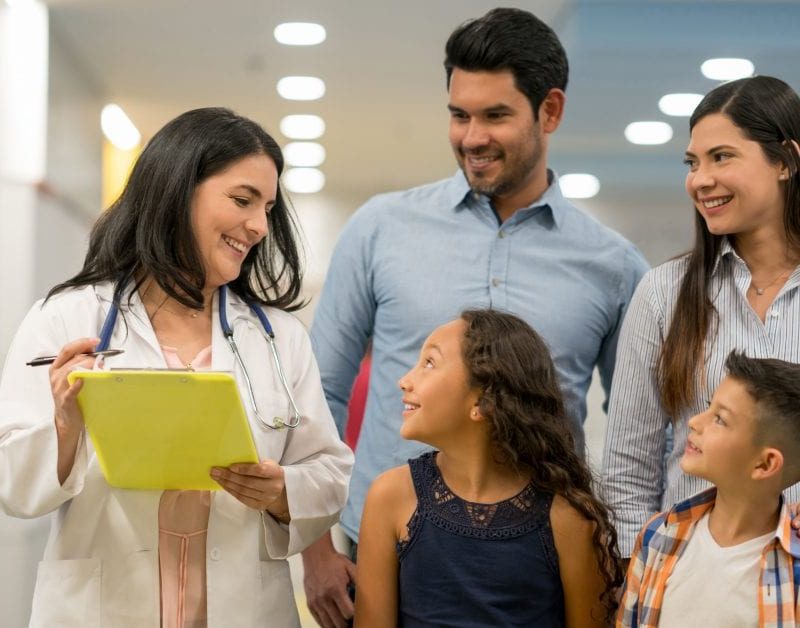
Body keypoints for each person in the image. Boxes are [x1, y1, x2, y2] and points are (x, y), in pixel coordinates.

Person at [303, 8, 648, 625]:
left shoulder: (614, 266)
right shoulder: (381, 229)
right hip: (379, 549)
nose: (471, 136)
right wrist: (315, 547)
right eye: (459, 115)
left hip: (541, 560)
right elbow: (318, 395)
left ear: (551, 111)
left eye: (495, 115)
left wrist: (615, 551)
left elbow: (637, 434)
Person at [0, 107, 353, 627]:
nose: (258, 225)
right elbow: (12, 484)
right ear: (176, 190)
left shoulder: (277, 338)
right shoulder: (70, 317)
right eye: (242, 200)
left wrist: (283, 492)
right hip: (103, 606)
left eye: (268, 207)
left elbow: (328, 470)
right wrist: (65, 427)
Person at [602, 75, 800, 559]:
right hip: (690, 582)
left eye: (722, 157)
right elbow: (627, 470)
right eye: (693, 162)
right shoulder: (664, 294)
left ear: (786, 161)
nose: (700, 179)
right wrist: (643, 577)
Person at [355, 310, 623, 627]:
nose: (405, 380)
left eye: (429, 363)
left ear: (483, 402)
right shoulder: (390, 497)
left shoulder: (569, 517)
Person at [617, 352, 800, 627]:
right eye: (707, 406)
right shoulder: (658, 535)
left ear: (765, 463)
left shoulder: (794, 568)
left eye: (720, 419)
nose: (694, 422)